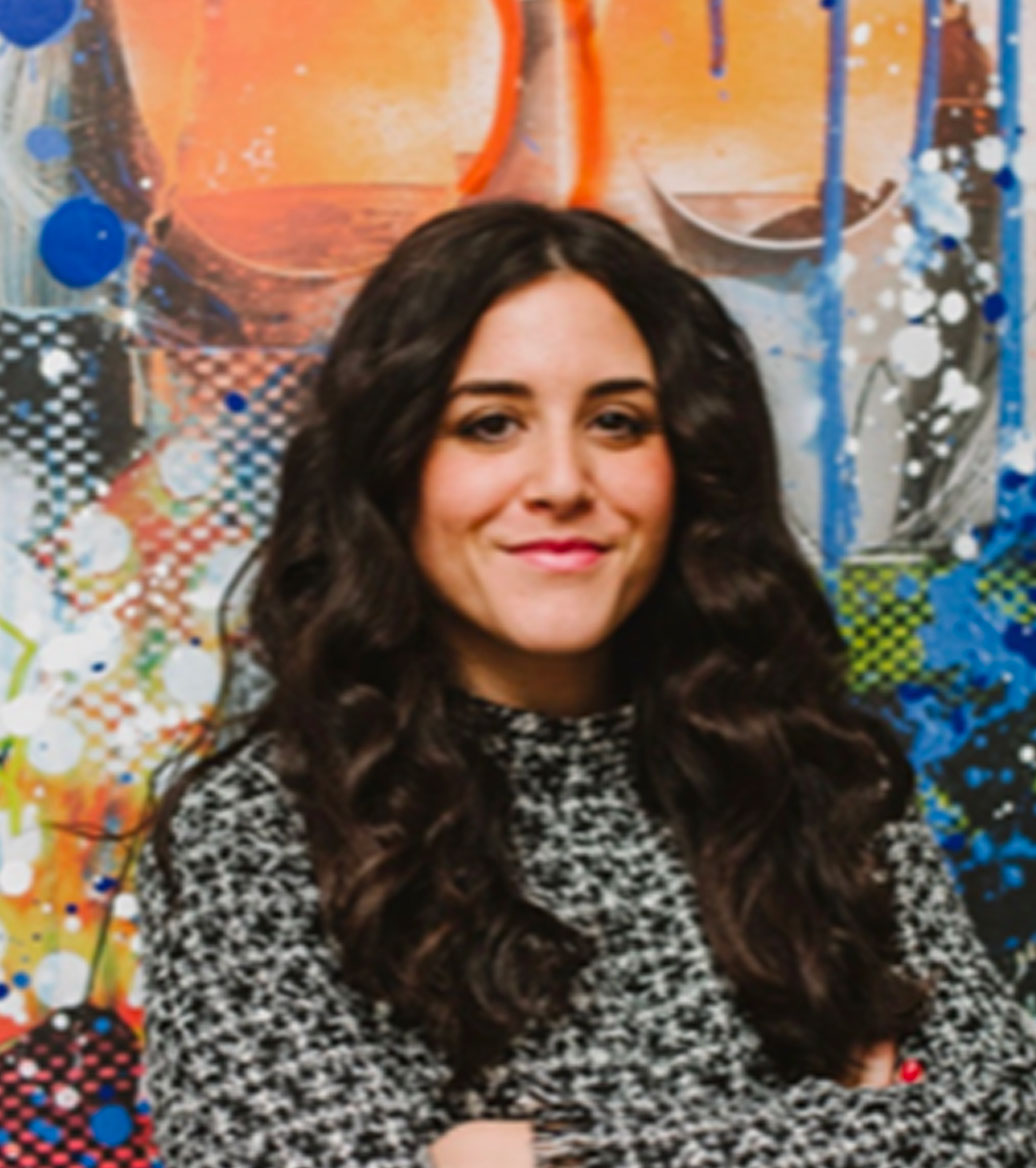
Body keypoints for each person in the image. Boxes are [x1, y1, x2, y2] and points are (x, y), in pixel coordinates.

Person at [136, 199, 1036, 1168]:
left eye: (616, 421)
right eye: (489, 423)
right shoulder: (257, 825)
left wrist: (519, 1158)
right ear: (393, 469)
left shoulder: (825, 783)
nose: (561, 479)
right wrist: (855, 1136)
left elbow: (998, 1121)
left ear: (685, 462)